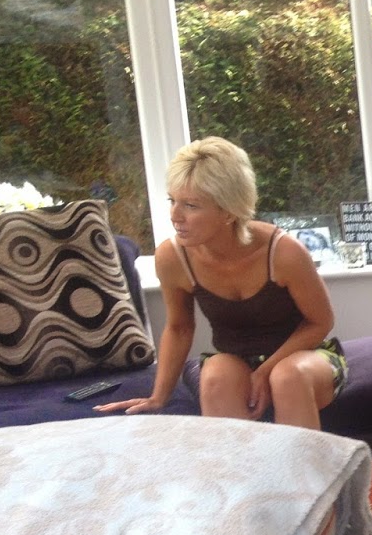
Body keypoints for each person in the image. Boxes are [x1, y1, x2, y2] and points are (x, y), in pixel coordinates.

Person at [96, 137, 345, 429]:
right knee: (216, 375)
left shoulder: (283, 252)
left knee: (287, 376)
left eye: (190, 205)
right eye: (172, 200)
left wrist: (266, 370)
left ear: (228, 211)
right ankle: (236, 461)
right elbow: (179, 327)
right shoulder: (173, 257)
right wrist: (158, 397)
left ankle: (304, 461)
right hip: (233, 359)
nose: (175, 215)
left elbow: (320, 322)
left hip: (305, 357)